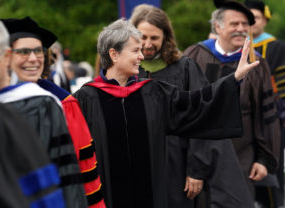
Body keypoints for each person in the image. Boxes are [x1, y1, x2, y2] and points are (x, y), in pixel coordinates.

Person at [73, 18, 258, 208]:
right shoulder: (84, 101)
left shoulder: (153, 93)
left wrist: (234, 78)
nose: (141, 56)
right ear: (114, 54)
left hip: (150, 196)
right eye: (135, 51)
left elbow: (196, 103)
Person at [130, 4, 254, 208]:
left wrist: (196, 169)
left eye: (154, 38)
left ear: (165, 37)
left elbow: (202, 116)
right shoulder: (128, 69)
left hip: (176, 164)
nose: (148, 44)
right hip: (138, 164)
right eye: (142, 37)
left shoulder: (184, 68)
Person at [1, 16, 105, 208]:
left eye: (38, 51)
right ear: (5, 56)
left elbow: (81, 171)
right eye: (23, 51)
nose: (33, 58)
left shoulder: (61, 102)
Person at [184, 0, 281, 202]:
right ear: (218, 27)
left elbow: (266, 113)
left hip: (241, 153)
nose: (241, 29)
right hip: (199, 153)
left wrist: (263, 159)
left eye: (245, 25)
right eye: (234, 24)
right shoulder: (195, 56)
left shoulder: (256, 63)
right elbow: (184, 110)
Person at [244, 1, 285, 207]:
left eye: (256, 18)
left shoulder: (276, 46)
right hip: (244, 121)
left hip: (271, 117)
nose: (251, 24)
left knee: (270, 171)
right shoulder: (235, 47)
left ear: (266, 20)